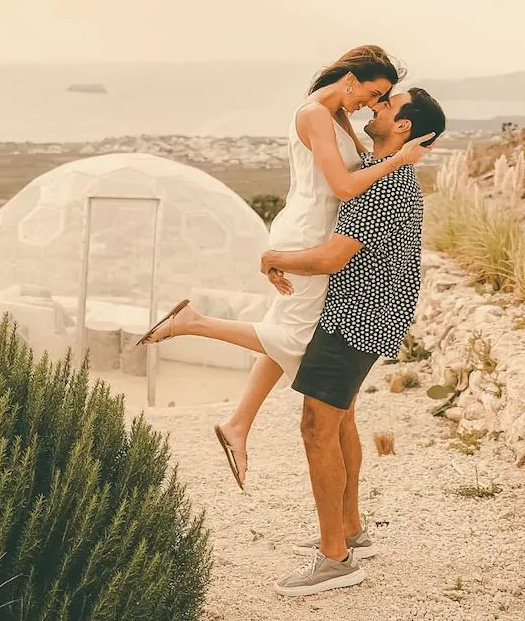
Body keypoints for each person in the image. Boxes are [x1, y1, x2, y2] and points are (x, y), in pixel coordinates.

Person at [138, 46, 432, 488]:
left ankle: (238, 425)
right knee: (297, 338)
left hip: (315, 230)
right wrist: (400, 160)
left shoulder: (338, 116)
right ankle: (191, 323)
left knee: (293, 331)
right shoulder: (315, 113)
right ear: (351, 79)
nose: (372, 105)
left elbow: (358, 172)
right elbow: (345, 185)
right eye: (374, 94)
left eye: (381, 100)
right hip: (309, 234)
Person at [261, 87, 446, 596]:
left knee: (316, 427)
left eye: (386, 105)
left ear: (404, 126)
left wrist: (274, 257)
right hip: (366, 313)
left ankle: (335, 559)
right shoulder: (385, 169)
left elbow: (331, 258)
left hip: (356, 317)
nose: (374, 108)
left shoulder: (385, 186)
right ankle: (349, 531)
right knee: (340, 419)